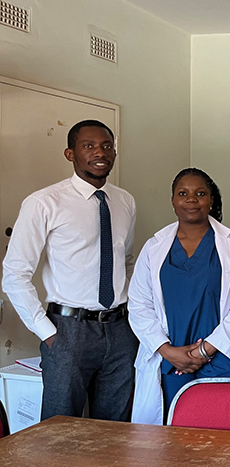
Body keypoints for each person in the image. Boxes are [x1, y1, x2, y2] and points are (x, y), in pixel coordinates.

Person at [2, 120, 138, 421]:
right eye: (88, 146)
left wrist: (130, 319)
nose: (99, 153)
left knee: (115, 429)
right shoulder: (44, 203)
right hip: (67, 331)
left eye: (106, 146)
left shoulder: (124, 201)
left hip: (119, 330)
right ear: (70, 154)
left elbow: (125, 260)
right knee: (60, 429)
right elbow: (14, 273)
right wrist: (46, 332)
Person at [128, 168, 230, 424]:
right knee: (173, 436)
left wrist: (206, 349)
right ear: (173, 201)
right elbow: (139, 304)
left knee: (226, 432)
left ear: (211, 200)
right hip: (171, 358)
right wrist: (165, 349)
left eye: (200, 193)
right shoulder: (154, 247)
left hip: (222, 355)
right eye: (183, 193)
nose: (191, 199)